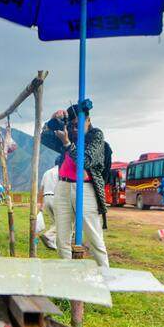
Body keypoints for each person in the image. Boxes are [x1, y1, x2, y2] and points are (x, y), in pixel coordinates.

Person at [40, 106, 109, 268]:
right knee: (62, 238)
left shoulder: (96, 135)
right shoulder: (69, 133)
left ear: (89, 120)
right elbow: (44, 137)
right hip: (62, 186)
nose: (75, 128)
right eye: (72, 125)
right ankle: (68, 276)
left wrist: (67, 143)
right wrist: (53, 120)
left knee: (94, 237)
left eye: (79, 124)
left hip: (85, 188)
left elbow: (85, 161)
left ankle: (106, 276)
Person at [39, 157, 61, 250]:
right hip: (56, 197)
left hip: (46, 197)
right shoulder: (61, 171)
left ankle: (52, 243)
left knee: (54, 222)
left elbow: (41, 189)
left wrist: (40, 203)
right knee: (61, 222)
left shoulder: (47, 172)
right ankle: (48, 235)